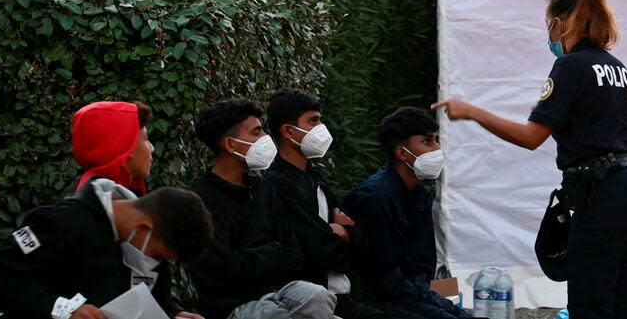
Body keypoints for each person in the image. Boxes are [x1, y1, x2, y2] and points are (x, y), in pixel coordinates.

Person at [434, 0, 627, 319]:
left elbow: (531, 136)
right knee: (623, 304)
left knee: (591, 306)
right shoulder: (615, 67)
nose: (549, 33)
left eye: (549, 23)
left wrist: (472, 111)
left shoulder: (570, 67)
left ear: (560, 22)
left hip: (603, 195)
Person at [0, 180, 213, 319]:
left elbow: (155, 296)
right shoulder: (64, 223)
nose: (155, 262)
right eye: (158, 255)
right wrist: (61, 308)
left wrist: (174, 313)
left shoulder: (155, 238)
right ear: (144, 226)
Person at [263, 89, 408, 319]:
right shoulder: (277, 185)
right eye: (313, 121)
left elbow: (363, 241)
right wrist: (343, 236)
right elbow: (316, 250)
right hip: (322, 301)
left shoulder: (316, 178)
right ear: (289, 131)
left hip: (352, 292)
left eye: (320, 119)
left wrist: (346, 233)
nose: (321, 128)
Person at [191, 99, 338, 319]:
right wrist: (270, 251)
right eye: (256, 133)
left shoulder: (263, 188)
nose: (265, 139)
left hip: (280, 294)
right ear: (230, 145)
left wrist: (253, 257)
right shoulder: (201, 201)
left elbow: (293, 256)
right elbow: (223, 274)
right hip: (234, 308)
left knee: (317, 295)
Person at [343, 107, 473, 319]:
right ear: (402, 152)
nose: (437, 149)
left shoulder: (420, 195)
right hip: (373, 301)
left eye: (436, 141)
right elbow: (384, 277)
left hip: (408, 294)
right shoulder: (375, 198)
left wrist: (433, 300)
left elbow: (421, 265)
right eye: (428, 142)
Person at [71, 101, 156, 196]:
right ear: (127, 147)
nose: (152, 148)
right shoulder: (87, 203)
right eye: (145, 139)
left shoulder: (84, 197)